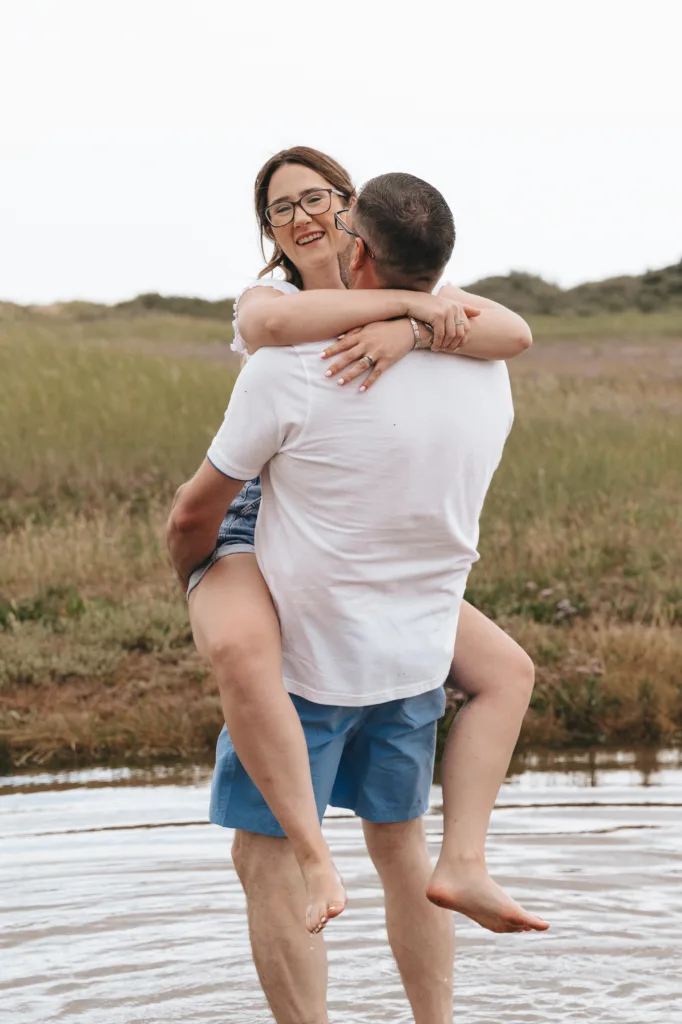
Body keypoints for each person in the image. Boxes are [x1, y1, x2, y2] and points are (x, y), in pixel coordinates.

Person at [168, 160, 548, 1024]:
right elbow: (276, 327)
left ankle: (327, 870)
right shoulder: (283, 319)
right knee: (251, 655)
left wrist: (414, 329)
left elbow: (514, 329)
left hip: (350, 579)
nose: (300, 217)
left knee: (296, 847)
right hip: (331, 558)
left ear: (353, 226)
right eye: (279, 209)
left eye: (316, 200)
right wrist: (416, 313)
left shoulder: (402, 339)